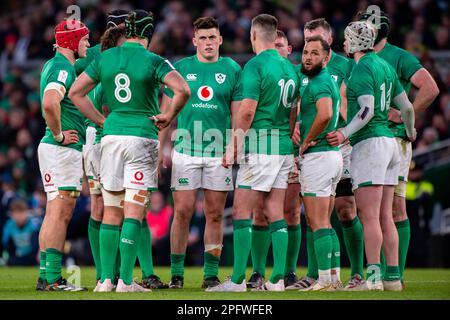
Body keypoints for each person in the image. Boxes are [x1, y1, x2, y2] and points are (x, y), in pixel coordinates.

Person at [69, 9, 190, 292]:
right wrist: (168, 115)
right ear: (148, 34)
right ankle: (125, 280)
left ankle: (104, 282)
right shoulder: (154, 60)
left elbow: (75, 93)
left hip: (110, 139)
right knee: (134, 212)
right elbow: (183, 90)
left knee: (111, 211)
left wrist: (102, 120)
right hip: (141, 138)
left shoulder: (105, 58)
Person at [207, 14, 299, 292]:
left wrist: (233, 146)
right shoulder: (290, 68)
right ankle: (279, 279)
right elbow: (293, 111)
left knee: (241, 211)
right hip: (282, 145)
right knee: (274, 209)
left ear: (253, 35)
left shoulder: (255, 66)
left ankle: (236, 281)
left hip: (261, 145)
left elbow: (246, 111)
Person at [327, 20, 416, 291]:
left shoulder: (361, 68)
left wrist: (344, 132)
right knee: (386, 215)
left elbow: (365, 111)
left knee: (369, 216)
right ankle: (392, 278)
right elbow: (408, 108)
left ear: (354, 42)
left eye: (346, 39)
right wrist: (409, 131)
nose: (343, 43)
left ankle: (374, 278)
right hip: (391, 143)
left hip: (370, 144)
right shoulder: (385, 66)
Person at [358, 8, 439, 285]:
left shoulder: (399, 57)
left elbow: (429, 87)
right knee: (371, 210)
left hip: (393, 139)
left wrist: (407, 115)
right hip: (369, 139)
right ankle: (379, 274)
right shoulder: (359, 56)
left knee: (393, 209)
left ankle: (395, 274)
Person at [160, 17, 242, 289]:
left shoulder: (231, 68)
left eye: (212, 37)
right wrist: (161, 147)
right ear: (194, 40)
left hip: (219, 152)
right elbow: (167, 113)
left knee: (215, 213)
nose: (208, 42)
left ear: (220, 40)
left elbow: (238, 114)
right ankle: (176, 275)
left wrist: (234, 146)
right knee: (182, 212)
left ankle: (210, 274)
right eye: (203, 38)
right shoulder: (181, 68)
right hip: (185, 151)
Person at [292, 18, 364, 291]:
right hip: (326, 149)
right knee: (319, 216)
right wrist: (296, 128)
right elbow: (303, 106)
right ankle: (323, 275)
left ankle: (347, 274)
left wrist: (342, 132)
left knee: (335, 213)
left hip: (334, 147)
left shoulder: (345, 68)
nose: (309, 51)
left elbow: (335, 110)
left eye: (316, 45)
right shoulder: (305, 72)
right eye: (307, 44)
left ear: (329, 43)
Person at [74, 8, 128, 290]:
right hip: (98, 137)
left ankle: (117, 273)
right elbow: (72, 86)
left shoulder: (127, 54)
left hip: (114, 137)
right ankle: (105, 272)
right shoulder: (94, 55)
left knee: (120, 205)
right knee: (101, 206)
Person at [36, 18, 90, 292]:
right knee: (61, 213)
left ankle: (46, 274)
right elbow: (49, 102)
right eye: (84, 39)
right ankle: (54, 279)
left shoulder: (52, 64)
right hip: (60, 148)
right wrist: (58, 134)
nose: (88, 44)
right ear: (71, 42)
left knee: (52, 212)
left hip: (51, 149)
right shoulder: (63, 67)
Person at [247, 30, 302, 289]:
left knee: (287, 211)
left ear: (289, 49)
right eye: (275, 45)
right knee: (265, 211)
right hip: (281, 144)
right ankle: (262, 273)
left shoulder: (290, 73)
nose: (277, 50)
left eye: (282, 46)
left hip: (277, 146)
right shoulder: (281, 72)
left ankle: (286, 272)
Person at [296, 36, 343, 291]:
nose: (308, 57)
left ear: (326, 58)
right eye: (305, 52)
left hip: (320, 156)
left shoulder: (321, 81)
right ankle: (333, 277)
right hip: (331, 157)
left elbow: (325, 114)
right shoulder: (321, 80)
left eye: (314, 53)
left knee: (318, 222)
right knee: (325, 220)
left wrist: (306, 141)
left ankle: (324, 280)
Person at [2, 199, 40, 266]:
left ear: (27, 212)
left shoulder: (34, 223)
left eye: (21, 212)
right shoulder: (9, 224)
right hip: (18, 255)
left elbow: (40, 241)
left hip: (33, 255)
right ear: (12, 214)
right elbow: (5, 242)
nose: (19, 216)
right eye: (16, 213)